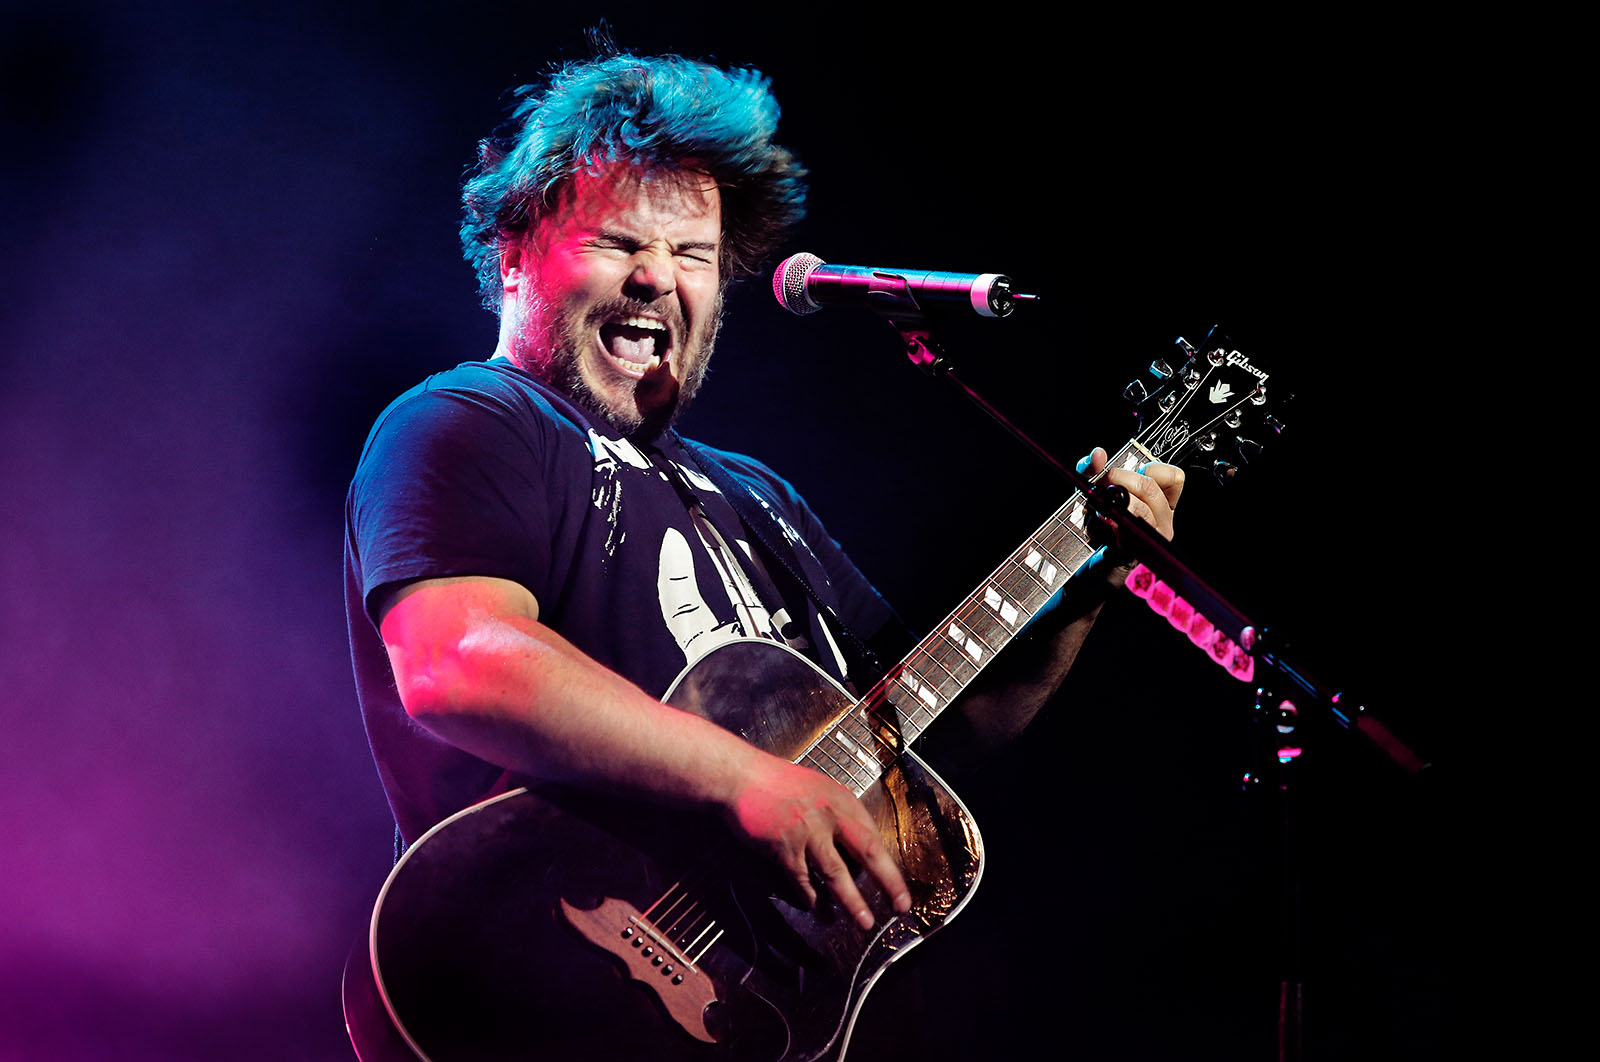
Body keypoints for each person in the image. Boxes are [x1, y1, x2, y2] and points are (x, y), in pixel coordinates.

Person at [345, 49, 1180, 975]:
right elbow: (455, 661)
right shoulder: (470, 419)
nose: (659, 277)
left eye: (692, 254)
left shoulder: (758, 497)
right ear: (514, 258)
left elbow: (925, 745)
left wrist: (1081, 589)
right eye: (619, 242)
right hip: (542, 963)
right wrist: (746, 778)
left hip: (760, 1002)